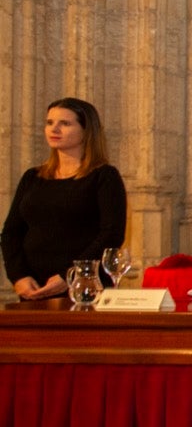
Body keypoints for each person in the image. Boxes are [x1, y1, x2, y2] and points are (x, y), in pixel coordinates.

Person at [3, 97, 127, 301]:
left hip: (84, 287)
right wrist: (18, 276)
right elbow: (11, 232)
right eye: (50, 122)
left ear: (86, 131)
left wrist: (70, 274)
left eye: (65, 123)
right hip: (34, 287)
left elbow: (111, 234)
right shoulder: (33, 176)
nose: (54, 129)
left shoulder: (104, 176)